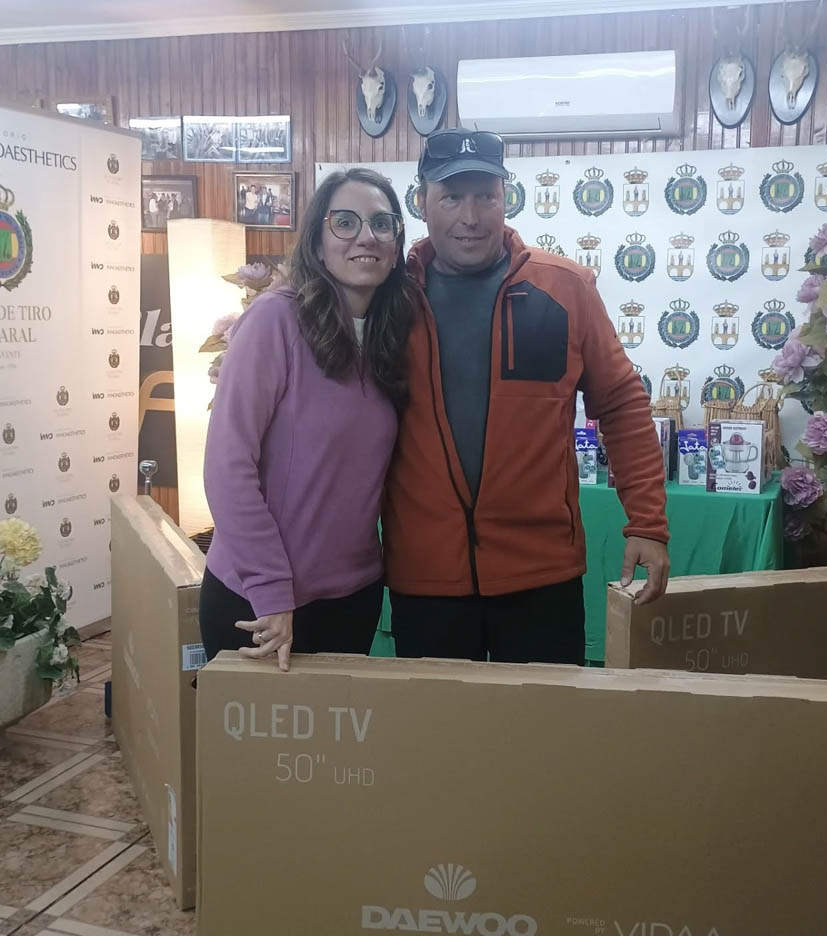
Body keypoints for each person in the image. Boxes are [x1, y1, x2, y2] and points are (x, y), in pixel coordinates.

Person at [382, 128, 670, 666]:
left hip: (542, 574)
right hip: (426, 578)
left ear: (506, 198)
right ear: (421, 202)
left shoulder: (565, 288)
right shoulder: (387, 297)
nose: (471, 216)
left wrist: (648, 525)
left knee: (546, 722)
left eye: (486, 196)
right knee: (438, 723)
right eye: (452, 197)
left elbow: (622, 405)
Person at [200, 168, 414, 670]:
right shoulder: (274, 320)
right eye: (346, 222)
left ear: (396, 245)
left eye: (382, 223)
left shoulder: (391, 335)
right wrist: (271, 590)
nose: (366, 236)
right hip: (261, 602)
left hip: (353, 596)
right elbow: (228, 466)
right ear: (318, 242)